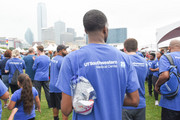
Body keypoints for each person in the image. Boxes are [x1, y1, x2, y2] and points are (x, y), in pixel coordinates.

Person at [56, 9, 140, 120]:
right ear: (105, 29)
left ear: (85, 31)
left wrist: (86, 100)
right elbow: (134, 100)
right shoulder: (124, 58)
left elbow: (66, 109)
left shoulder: (71, 59)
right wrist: (110, 98)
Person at [122, 38, 148, 120]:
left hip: (127, 102)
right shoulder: (144, 61)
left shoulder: (123, 61)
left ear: (124, 49)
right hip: (141, 102)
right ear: (137, 49)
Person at [155, 40, 180, 120]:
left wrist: (157, 85)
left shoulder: (166, 57)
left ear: (169, 48)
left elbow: (165, 75)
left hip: (171, 101)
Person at [50, 45, 68, 120]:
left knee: (55, 106)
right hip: (59, 86)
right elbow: (66, 73)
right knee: (64, 108)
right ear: (60, 51)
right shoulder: (62, 60)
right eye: (65, 50)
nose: (66, 51)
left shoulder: (53, 59)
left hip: (52, 86)